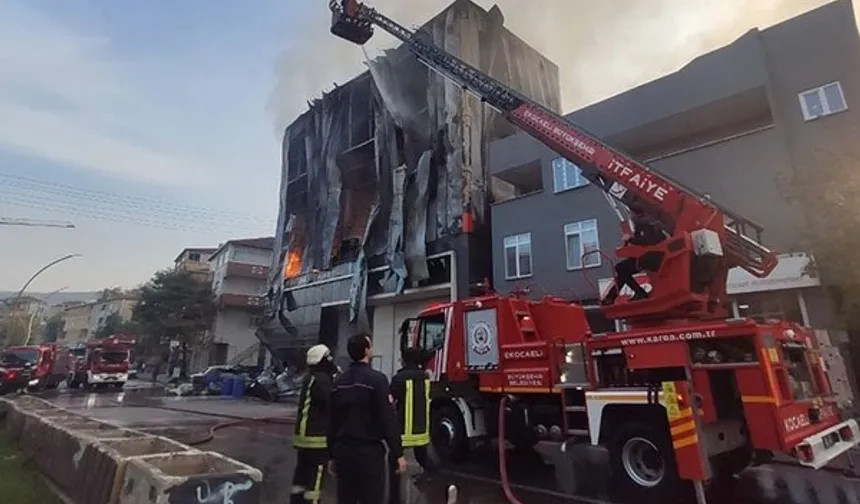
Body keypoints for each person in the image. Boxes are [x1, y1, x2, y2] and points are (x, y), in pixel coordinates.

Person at [327, 333, 407, 504]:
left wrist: (331, 455)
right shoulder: (377, 380)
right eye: (370, 346)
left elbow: (332, 421)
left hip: (343, 451)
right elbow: (387, 418)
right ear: (366, 350)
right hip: (369, 452)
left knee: (346, 498)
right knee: (371, 498)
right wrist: (398, 452)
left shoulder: (339, 382)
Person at [290, 344, 337, 504]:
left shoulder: (310, 378)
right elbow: (332, 403)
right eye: (328, 357)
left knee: (301, 477)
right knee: (316, 478)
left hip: (303, 438)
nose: (331, 360)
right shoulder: (322, 380)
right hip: (317, 438)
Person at [388, 346, 431, 504]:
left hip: (403, 429)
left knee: (394, 462)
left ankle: (394, 498)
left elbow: (390, 399)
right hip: (421, 429)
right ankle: (430, 480)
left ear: (404, 360)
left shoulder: (399, 378)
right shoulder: (425, 376)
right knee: (423, 458)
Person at [603, 205, 668, 304]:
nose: (630, 217)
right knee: (623, 269)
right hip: (656, 255)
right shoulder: (652, 222)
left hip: (650, 257)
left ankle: (639, 293)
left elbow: (646, 241)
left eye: (630, 214)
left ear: (633, 213)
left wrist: (629, 239)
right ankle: (610, 297)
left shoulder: (643, 223)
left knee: (620, 268)